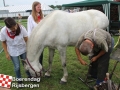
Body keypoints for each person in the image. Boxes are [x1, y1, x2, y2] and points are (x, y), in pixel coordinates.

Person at [0, 17, 31, 84]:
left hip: (22, 49)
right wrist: (6, 53)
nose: (15, 28)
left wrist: (28, 49)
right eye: (13, 28)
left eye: (15, 26)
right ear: (8, 27)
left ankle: (29, 75)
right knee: (17, 67)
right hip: (13, 51)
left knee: (26, 63)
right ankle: (19, 80)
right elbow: (3, 42)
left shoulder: (21, 28)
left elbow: (26, 39)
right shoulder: (3, 31)